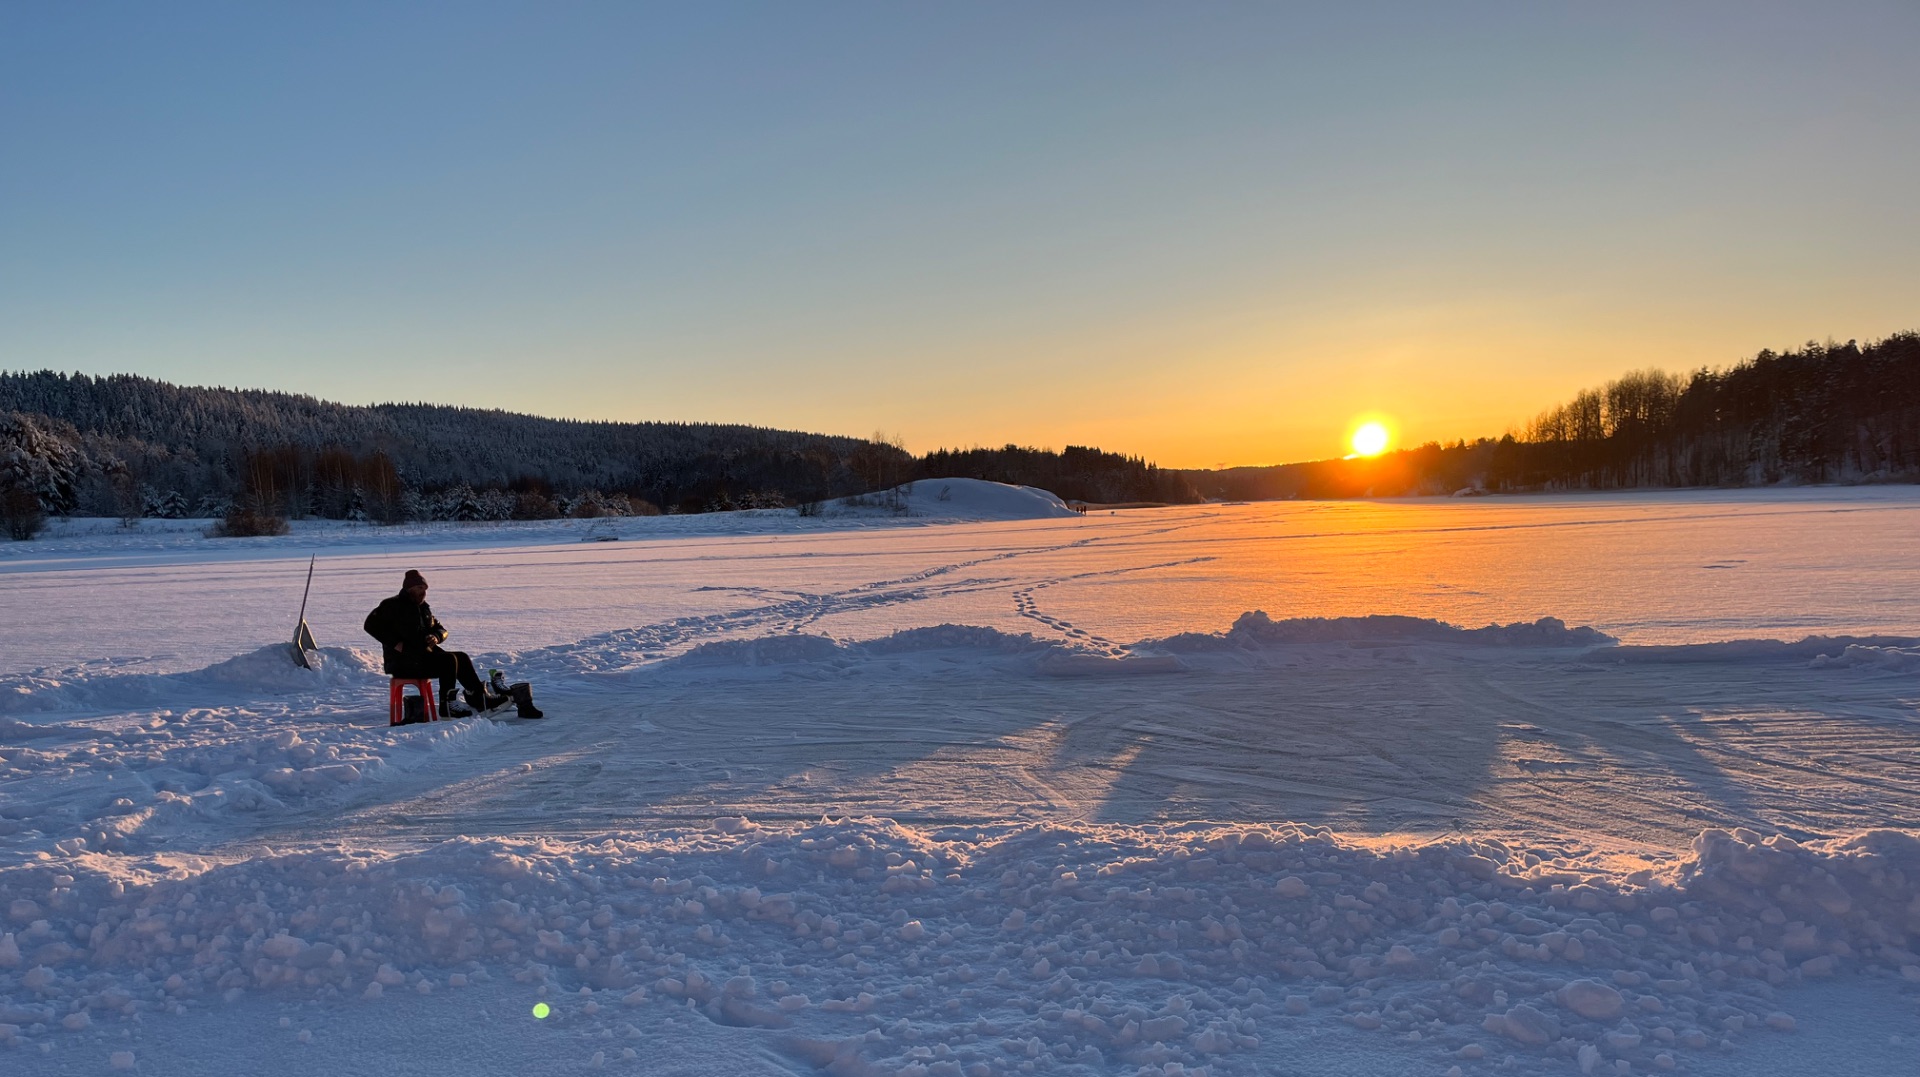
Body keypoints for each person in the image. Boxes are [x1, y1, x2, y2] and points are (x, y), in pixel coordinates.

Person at [363, 569, 543, 719]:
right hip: (402, 662)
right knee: (448, 660)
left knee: (461, 657)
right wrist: (396, 644)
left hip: (423, 656)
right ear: (409, 588)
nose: (423, 591)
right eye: (419, 587)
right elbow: (370, 625)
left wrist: (436, 637)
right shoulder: (391, 605)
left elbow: (441, 629)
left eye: (425, 588)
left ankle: (479, 698)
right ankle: (447, 706)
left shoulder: (423, 608)